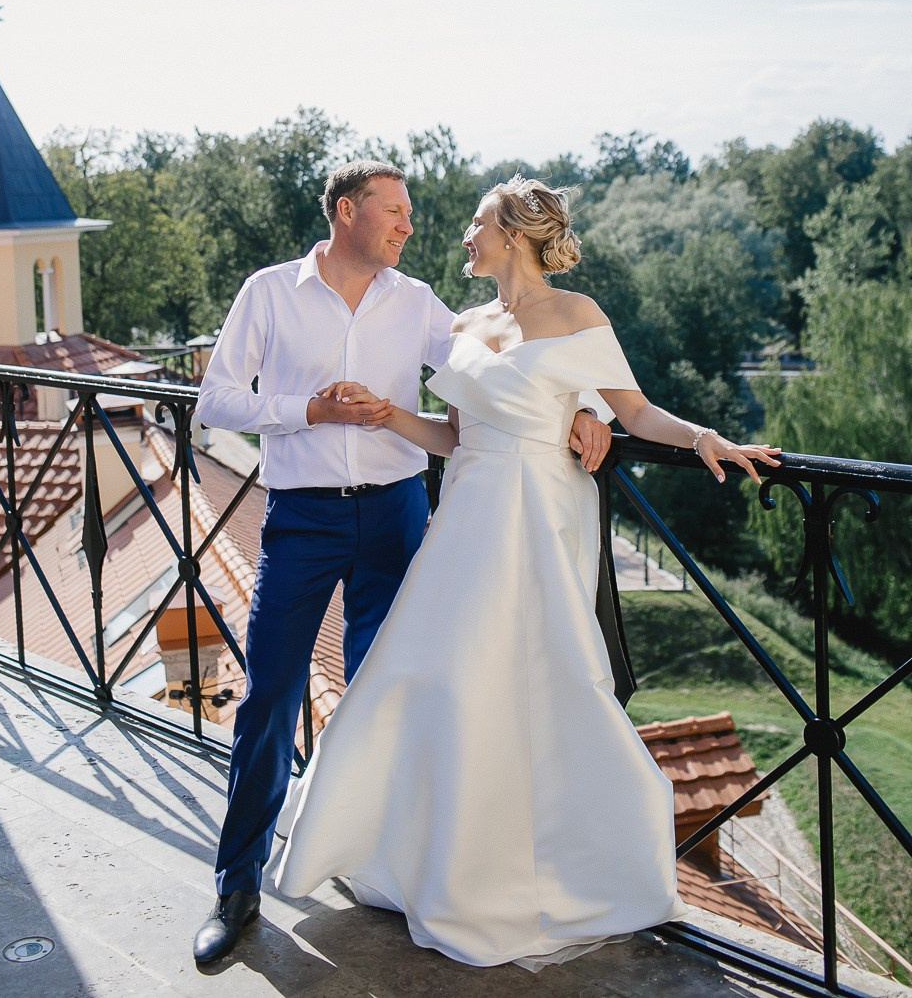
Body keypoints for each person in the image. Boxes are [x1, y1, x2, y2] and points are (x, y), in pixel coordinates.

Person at [276, 176, 780, 969]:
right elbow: (452, 437)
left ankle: (564, 866)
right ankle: (426, 856)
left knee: (544, 682)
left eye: (476, 223)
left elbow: (635, 411)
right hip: (464, 520)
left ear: (513, 233)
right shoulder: (466, 323)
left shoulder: (577, 314)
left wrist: (699, 436)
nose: (464, 236)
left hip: (538, 519)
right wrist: (387, 414)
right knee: (437, 679)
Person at [190, 161, 612, 964]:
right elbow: (216, 399)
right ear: (347, 211)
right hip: (302, 518)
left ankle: (384, 865)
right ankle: (236, 886)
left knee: (389, 692)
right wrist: (308, 410)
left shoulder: (416, 301)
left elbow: (509, 358)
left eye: (408, 213)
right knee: (271, 694)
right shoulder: (269, 293)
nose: (408, 226)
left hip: (397, 515)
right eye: (394, 211)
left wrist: (588, 405)